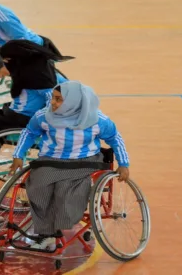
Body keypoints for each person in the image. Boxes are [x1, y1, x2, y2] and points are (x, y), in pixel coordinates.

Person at [10, 80, 130, 251]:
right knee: (38, 187)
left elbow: (115, 138)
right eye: (53, 98)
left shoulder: (97, 120)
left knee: (65, 190)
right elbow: (29, 132)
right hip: (50, 161)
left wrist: (124, 163)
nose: (52, 102)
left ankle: (60, 226)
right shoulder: (44, 116)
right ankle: (47, 234)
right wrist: (18, 155)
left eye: (59, 99)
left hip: (84, 162)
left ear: (74, 102)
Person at [0, 39, 74, 158]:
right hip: (14, 115)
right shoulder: (37, 71)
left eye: (6, 60)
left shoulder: (40, 81)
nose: (4, 63)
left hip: (21, 120)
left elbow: (54, 105)